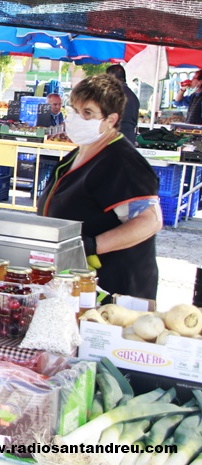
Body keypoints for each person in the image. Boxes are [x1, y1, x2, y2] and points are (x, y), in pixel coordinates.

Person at [37, 75, 162, 300]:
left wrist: (91, 245)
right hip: (76, 281)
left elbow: (149, 221)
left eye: (88, 113)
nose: (77, 118)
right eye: (74, 110)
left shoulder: (123, 162)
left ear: (111, 120)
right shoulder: (80, 152)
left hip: (114, 288)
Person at [105, 63, 141, 143]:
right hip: (129, 138)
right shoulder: (133, 96)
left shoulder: (114, 95)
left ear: (113, 77)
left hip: (116, 139)